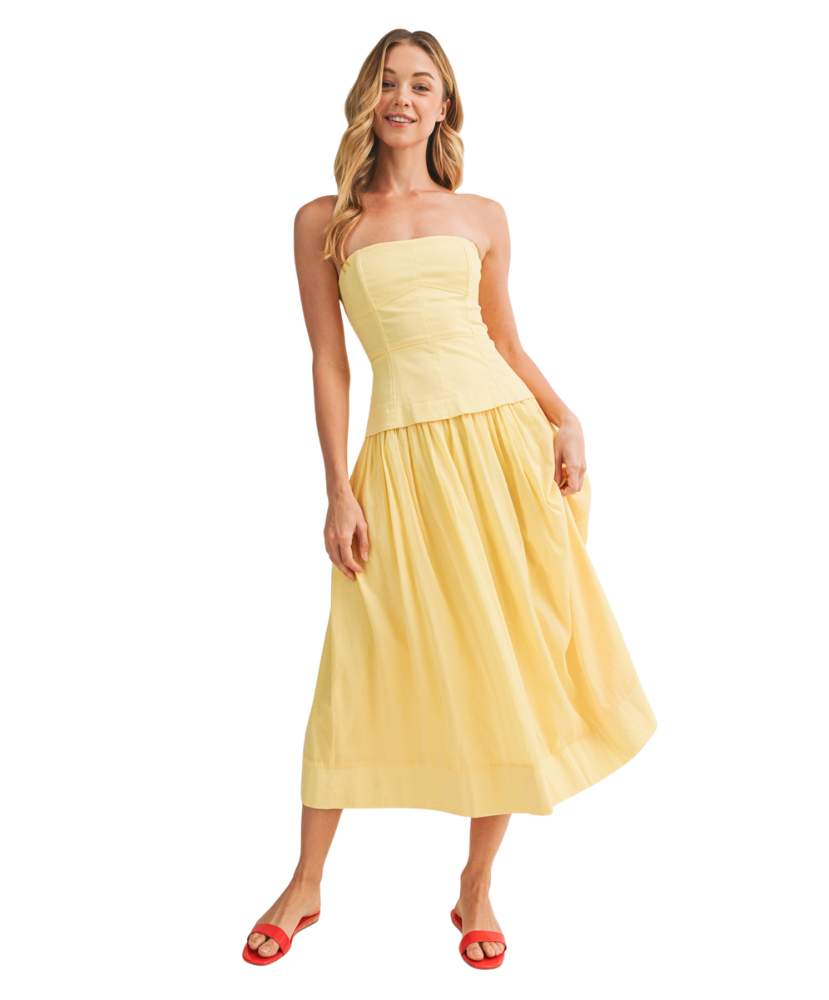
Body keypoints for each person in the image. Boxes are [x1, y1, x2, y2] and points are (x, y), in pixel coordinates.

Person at [243, 28, 658, 971]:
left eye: (421, 85)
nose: (402, 96)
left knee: (501, 657)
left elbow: (503, 339)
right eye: (388, 81)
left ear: (443, 109)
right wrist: (337, 489)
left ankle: (475, 888)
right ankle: (305, 883)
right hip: (399, 457)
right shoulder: (323, 220)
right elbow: (328, 362)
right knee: (357, 658)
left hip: (501, 445)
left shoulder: (483, 214)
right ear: (367, 99)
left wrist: (564, 416)